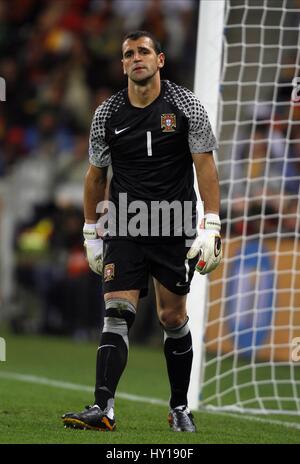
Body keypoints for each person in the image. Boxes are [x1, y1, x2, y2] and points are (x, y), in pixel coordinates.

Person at [62, 30, 222, 433]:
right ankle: (103, 408)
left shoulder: (187, 106)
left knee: (172, 316)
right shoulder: (107, 114)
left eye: (144, 51)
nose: (136, 58)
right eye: (129, 53)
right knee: (117, 310)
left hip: (175, 225)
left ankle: (180, 406)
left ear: (160, 60)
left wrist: (212, 224)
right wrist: (90, 232)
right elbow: (95, 177)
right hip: (126, 225)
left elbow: (205, 166)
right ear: (122, 65)